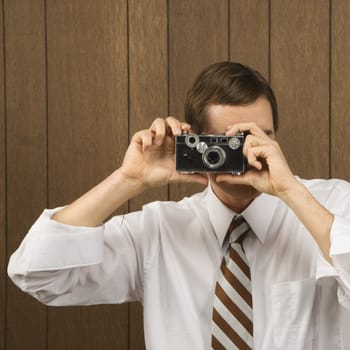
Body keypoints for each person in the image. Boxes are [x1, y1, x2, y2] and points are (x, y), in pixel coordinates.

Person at [7, 62, 350, 350]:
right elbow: (37, 272)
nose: (243, 154)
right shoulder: (159, 229)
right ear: (195, 145)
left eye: (257, 138)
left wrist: (289, 190)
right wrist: (130, 178)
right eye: (225, 143)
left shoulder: (331, 205)